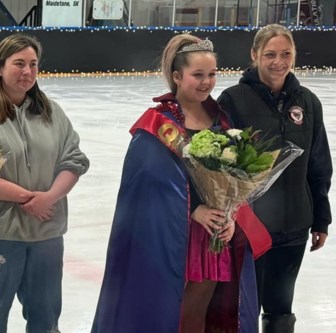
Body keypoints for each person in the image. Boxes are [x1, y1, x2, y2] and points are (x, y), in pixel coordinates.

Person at [92, 34, 264, 333]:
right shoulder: (156, 123)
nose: (206, 82)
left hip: (211, 236)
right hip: (170, 234)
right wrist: (194, 210)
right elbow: (147, 186)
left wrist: (231, 215)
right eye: (197, 74)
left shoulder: (221, 119)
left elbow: (233, 179)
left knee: (198, 313)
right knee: (168, 312)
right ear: (176, 76)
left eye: (212, 74)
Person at [0, 34, 89, 333]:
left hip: (45, 234)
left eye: (33, 64)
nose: (27, 71)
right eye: (19, 63)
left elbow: (73, 160)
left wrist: (49, 198)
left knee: (46, 319)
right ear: (0, 68)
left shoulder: (51, 112)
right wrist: (27, 198)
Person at [217, 24, 331, 333]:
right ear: (254, 55)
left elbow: (318, 165)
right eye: (269, 54)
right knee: (244, 306)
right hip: (251, 227)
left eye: (286, 54)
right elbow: (220, 165)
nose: (278, 62)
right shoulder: (233, 99)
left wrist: (321, 218)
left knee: (281, 308)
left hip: (295, 225)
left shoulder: (307, 102)